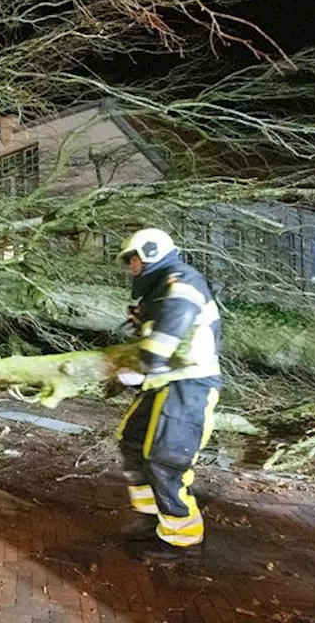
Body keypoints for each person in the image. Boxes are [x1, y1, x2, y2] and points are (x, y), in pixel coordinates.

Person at [113, 228, 222, 561]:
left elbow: (163, 343)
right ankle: (151, 517)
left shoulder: (181, 285)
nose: (130, 267)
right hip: (163, 384)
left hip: (188, 386)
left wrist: (136, 368)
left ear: (148, 253)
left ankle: (182, 539)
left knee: (165, 459)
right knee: (131, 440)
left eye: (131, 260)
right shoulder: (160, 290)